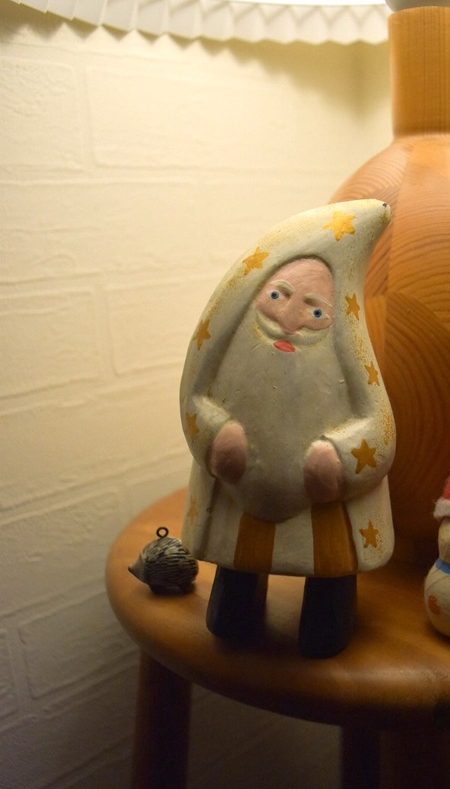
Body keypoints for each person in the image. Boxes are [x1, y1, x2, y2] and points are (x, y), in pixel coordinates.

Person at [180, 200, 396, 657]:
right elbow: (194, 397)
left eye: (316, 312)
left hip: (325, 513)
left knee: (329, 584)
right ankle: (235, 608)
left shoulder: (350, 361)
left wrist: (340, 458)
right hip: (237, 501)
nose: (289, 320)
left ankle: (327, 620)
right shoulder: (230, 343)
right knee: (237, 579)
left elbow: (379, 430)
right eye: (278, 296)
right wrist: (215, 435)